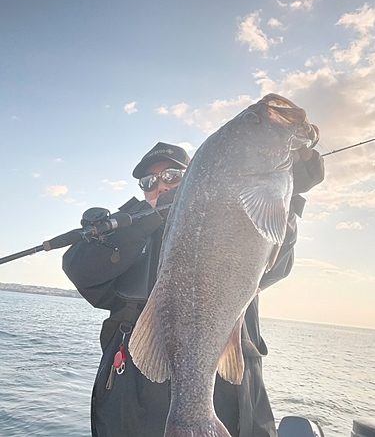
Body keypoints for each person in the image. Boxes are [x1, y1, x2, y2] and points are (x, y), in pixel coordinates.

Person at [62, 138, 324, 437]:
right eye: (149, 182)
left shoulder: (233, 218)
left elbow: (274, 262)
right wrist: (141, 222)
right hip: (135, 401)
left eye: (173, 176)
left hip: (230, 395)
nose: (160, 186)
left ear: (195, 179)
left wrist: (288, 197)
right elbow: (80, 271)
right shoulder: (126, 233)